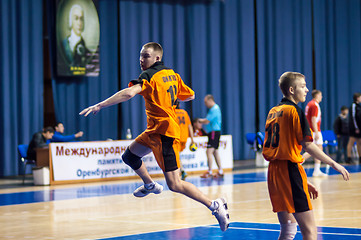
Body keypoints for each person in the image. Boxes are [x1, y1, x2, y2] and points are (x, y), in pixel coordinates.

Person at [79, 42, 230, 231]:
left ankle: (215, 206)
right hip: (154, 130)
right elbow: (190, 95)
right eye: (140, 55)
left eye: (146, 56)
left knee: (175, 184)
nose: (141, 60)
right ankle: (150, 185)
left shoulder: (148, 76)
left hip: (165, 134)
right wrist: (169, 100)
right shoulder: (173, 75)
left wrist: (100, 105)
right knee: (129, 156)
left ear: (157, 58)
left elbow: (128, 94)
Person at [262, 71, 349, 240]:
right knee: (310, 231)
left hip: (275, 174)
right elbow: (308, 145)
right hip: (289, 172)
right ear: (292, 90)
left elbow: (282, 149)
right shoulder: (295, 111)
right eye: (303, 86)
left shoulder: (274, 111)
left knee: (288, 231)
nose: (307, 90)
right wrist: (333, 163)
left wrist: (303, 181)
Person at [198, 95, 224, 178]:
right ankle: (220, 170)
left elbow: (207, 120)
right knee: (215, 152)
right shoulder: (214, 109)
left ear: (210, 100)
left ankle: (209, 171)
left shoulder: (214, 109)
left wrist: (198, 120)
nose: (205, 104)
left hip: (214, 132)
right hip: (213, 132)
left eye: (206, 102)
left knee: (208, 151)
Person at [305, 89, 328, 177]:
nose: (321, 97)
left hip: (311, 130)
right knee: (315, 150)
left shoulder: (310, 104)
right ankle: (299, 162)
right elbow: (313, 119)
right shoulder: (314, 105)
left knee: (317, 149)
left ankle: (317, 170)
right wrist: (316, 132)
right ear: (317, 95)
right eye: (320, 95)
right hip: (314, 130)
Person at [175, 103, 195, 180]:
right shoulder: (184, 113)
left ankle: (181, 172)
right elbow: (190, 126)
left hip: (177, 138)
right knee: (177, 156)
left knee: (176, 157)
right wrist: (192, 139)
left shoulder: (172, 112)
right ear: (179, 105)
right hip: (184, 138)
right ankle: (182, 171)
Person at [346, 92, 361, 164]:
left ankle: (360, 157)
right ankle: (348, 158)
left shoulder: (359, 106)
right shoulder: (353, 106)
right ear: (357, 98)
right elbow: (353, 117)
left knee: (359, 143)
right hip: (354, 128)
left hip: (359, 128)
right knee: (351, 142)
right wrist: (356, 127)